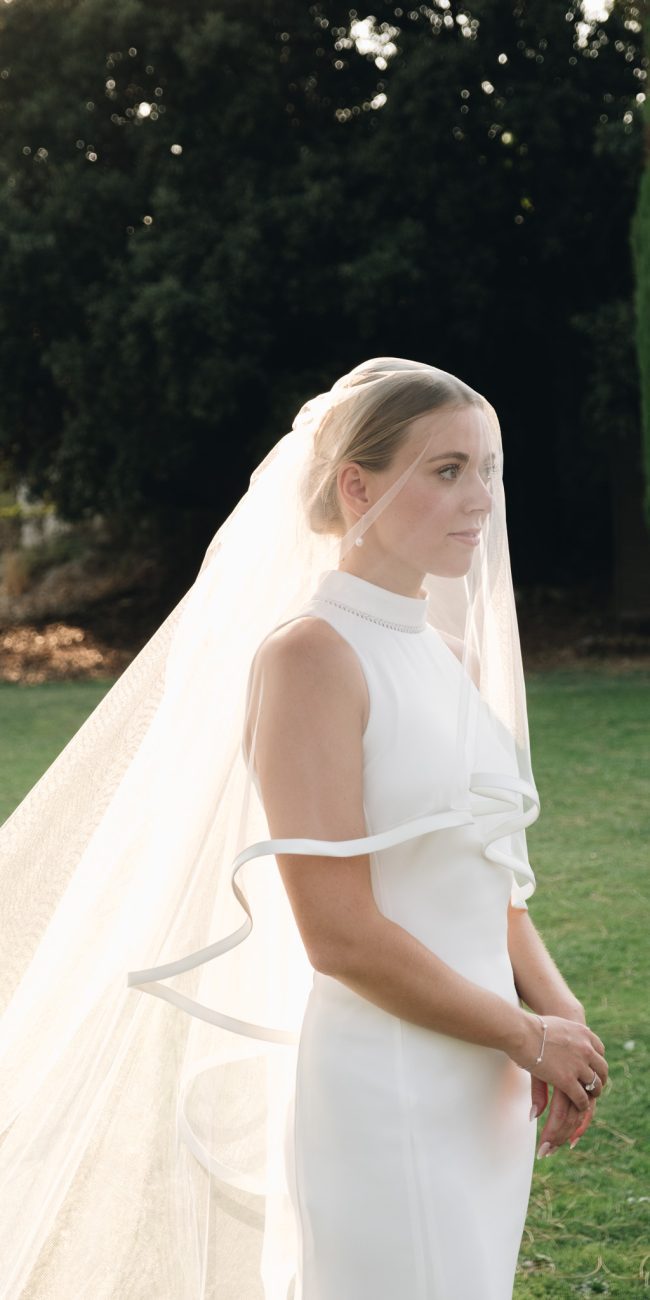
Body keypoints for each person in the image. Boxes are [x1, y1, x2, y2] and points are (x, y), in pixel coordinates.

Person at [0, 357, 607, 1299]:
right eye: (446, 470)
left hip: (485, 1079)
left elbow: (486, 879)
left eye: (487, 469)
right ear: (356, 484)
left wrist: (560, 1017)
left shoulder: (443, 650)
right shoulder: (310, 656)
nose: (479, 497)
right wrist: (528, 1038)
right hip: (390, 1077)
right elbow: (339, 933)